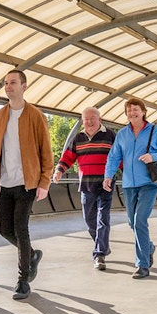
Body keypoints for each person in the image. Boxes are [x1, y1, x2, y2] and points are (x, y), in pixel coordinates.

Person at [0, 70, 53, 300]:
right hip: (5, 183)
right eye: (5, 83)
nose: (8, 87)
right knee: (4, 230)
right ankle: (32, 255)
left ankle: (22, 280)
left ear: (24, 86)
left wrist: (44, 181)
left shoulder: (35, 115)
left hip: (28, 183)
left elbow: (46, 151)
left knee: (21, 229)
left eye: (13, 83)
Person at [102, 98, 157, 279]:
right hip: (128, 184)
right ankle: (148, 247)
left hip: (149, 183)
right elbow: (113, 157)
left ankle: (142, 265)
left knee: (140, 220)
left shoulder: (154, 131)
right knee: (132, 222)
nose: (132, 113)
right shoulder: (122, 134)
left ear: (143, 112)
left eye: (135, 109)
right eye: (128, 110)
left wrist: (153, 156)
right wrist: (108, 175)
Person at [53, 107, 115, 271]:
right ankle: (102, 244)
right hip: (87, 186)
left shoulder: (110, 136)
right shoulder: (78, 138)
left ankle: (99, 254)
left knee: (103, 219)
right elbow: (68, 157)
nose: (89, 122)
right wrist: (59, 170)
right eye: (86, 119)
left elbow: (118, 157)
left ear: (99, 119)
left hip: (105, 186)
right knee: (90, 221)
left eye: (92, 118)